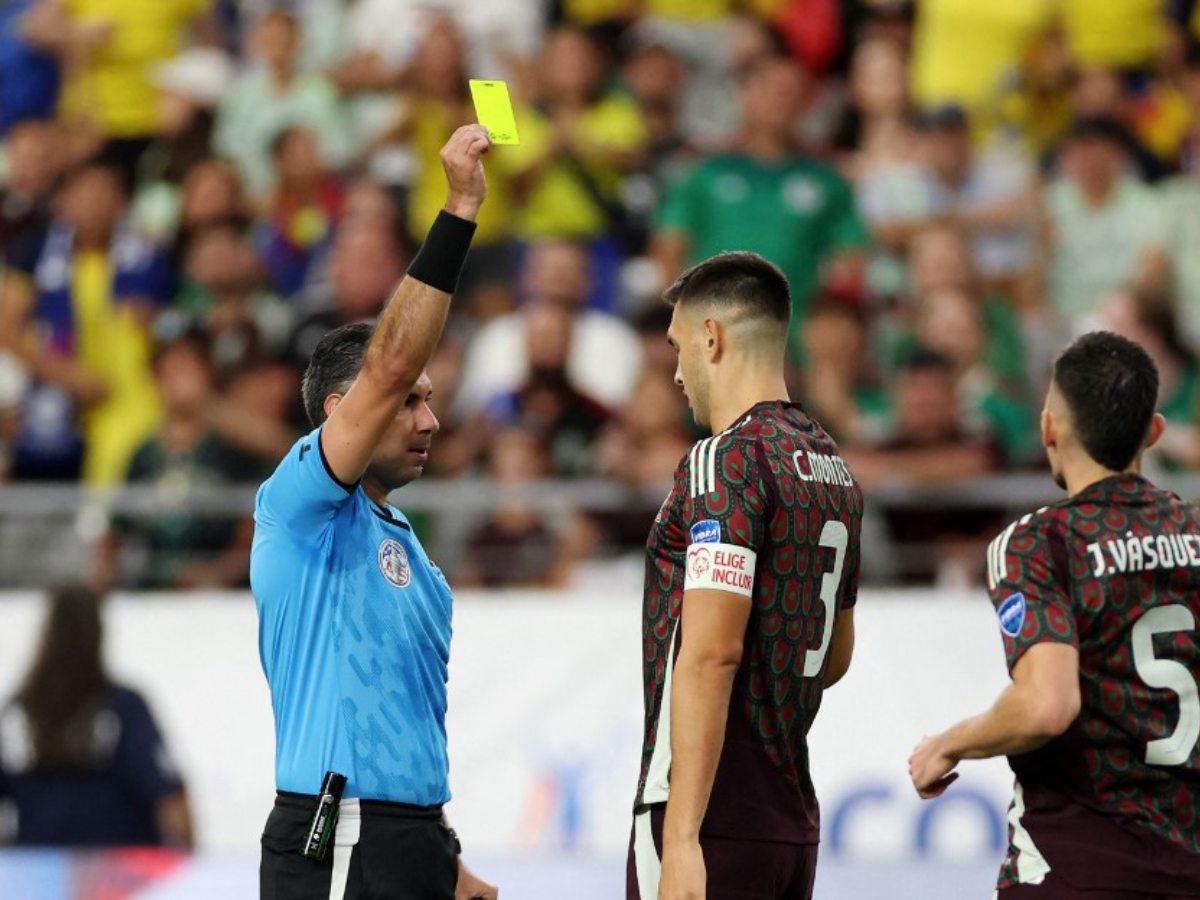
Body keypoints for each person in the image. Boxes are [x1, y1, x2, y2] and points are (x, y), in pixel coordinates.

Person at [251, 125, 496, 900]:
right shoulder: (297, 507)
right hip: (338, 834)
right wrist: (458, 209)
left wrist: (442, 859)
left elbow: (399, 723)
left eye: (429, 402)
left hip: (408, 840)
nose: (429, 421)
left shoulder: (413, 555)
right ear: (340, 410)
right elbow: (391, 363)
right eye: (408, 404)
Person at [908, 332, 1200, 898]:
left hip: (1077, 861)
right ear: (1154, 432)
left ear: (1048, 429)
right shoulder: (1195, 534)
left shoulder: (1041, 542)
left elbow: (1047, 704)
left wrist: (951, 743)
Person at [629, 252, 864, 900]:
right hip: (789, 820)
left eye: (677, 348)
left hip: (712, 819)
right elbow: (835, 655)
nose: (676, 373)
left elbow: (711, 654)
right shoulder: (831, 464)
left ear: (711, 337)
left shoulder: (724, 462)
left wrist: (679, 840)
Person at [0, 585, 193, 847]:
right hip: (119, 876)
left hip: (37, 876)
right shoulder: (123, 708)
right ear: (99, 635)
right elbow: (172, 805)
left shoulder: (18, 713)